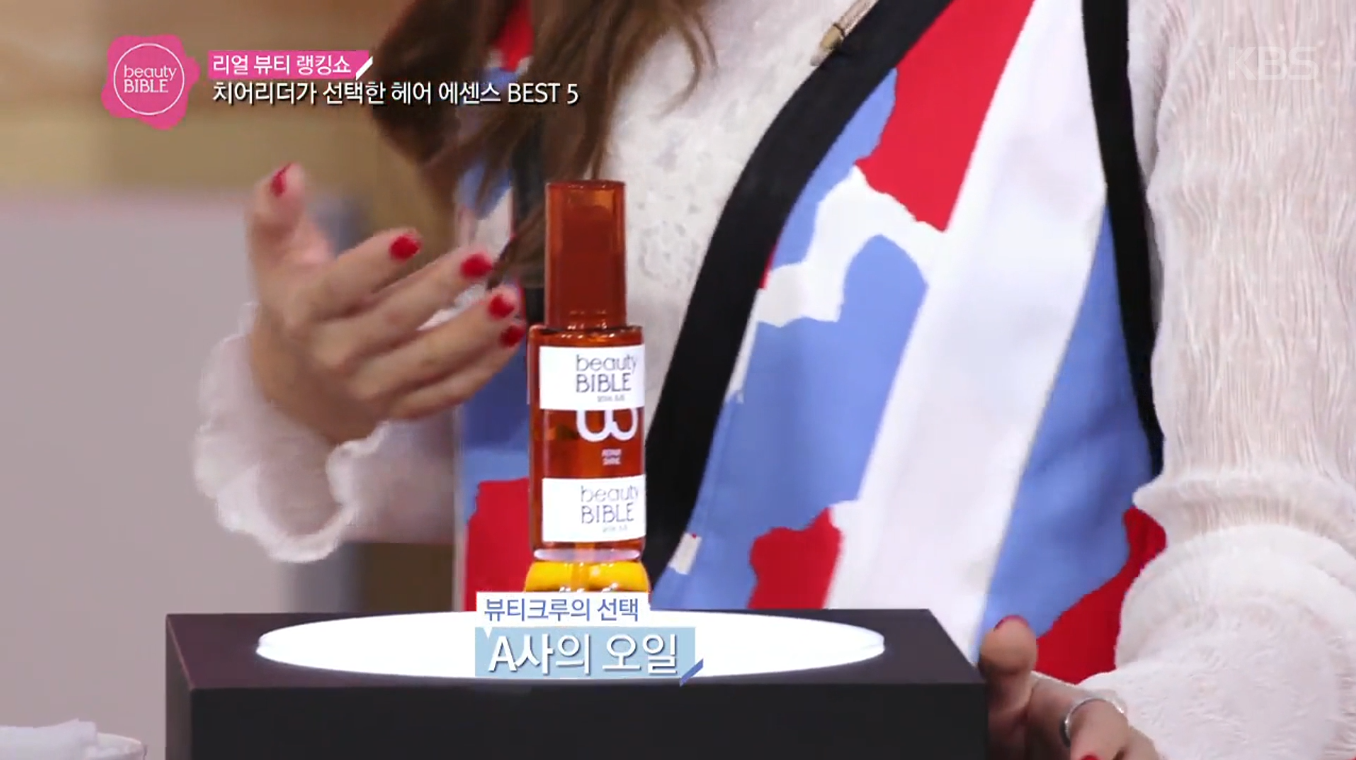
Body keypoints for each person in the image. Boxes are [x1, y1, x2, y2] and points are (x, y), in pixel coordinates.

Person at [194, 0, 1356, 757]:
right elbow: (570, 465)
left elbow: (1283, 549)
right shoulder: (542, 26)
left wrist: (1145, 726)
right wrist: (313, 392)